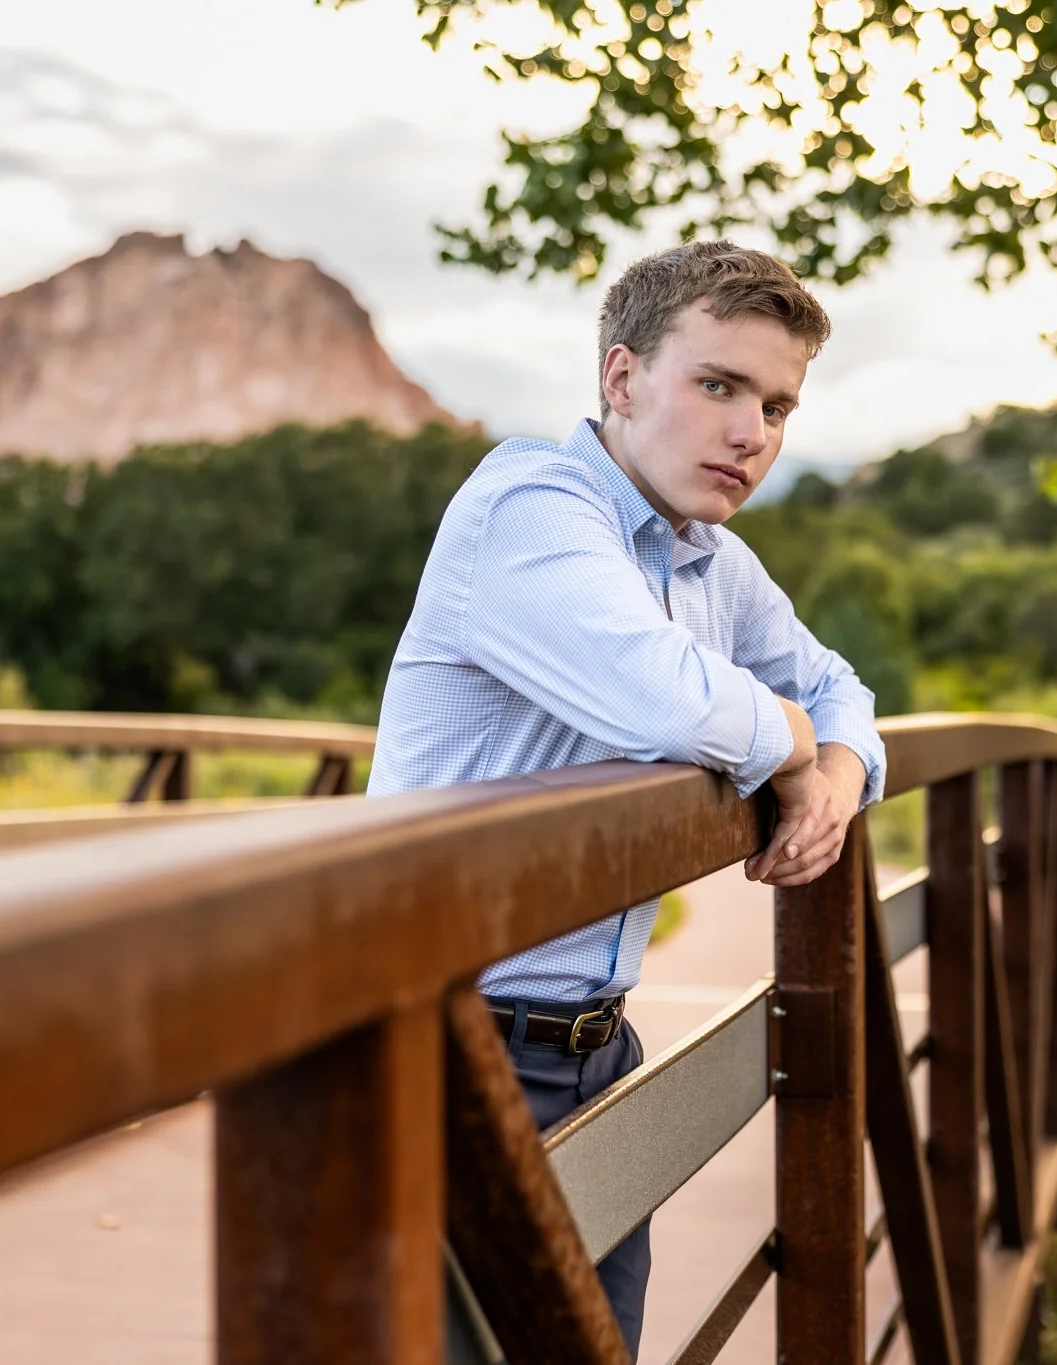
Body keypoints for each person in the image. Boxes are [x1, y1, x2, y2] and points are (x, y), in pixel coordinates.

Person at [368, 240, 887, 1355]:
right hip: (449, 1056)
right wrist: (793, 746)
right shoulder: (528, 506)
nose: (751, 432)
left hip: (594, 1054)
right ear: (621, 379)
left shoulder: (708, 561)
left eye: (778, 404)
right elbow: (671, 705)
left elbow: (835, 687)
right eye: (718, 386)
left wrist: (835, 775)